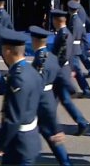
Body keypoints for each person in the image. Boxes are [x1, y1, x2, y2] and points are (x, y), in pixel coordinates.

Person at [0, 28, 41, 165]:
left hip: (19, 144)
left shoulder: (18, 78)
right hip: (30, 138)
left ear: (6, 51)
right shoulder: (31, 71)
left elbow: (14, 118)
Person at [29, 26, 71, 165]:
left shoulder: (39, 60)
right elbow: (61, 79)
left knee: (51, 134)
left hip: (41, 103)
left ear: (34, 41)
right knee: (47, 133)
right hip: (48, 100)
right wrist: (71, 89)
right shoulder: (51, 57)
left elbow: (37, 86)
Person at [51, 9, 90, 136]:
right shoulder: (65, 33)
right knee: (59, 99)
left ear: (56, 20)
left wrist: (52, 66)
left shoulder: (63, 35)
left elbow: (63, 56)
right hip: (63, 71)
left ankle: (81, 122)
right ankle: (81, 122)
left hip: (60, 72)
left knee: (57, 100)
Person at [67, 0, 90, 97]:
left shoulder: (74, 21)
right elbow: (84, 34)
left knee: (76, 71)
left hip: (73, 48)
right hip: (77, 47)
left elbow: (72, 36)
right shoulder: (78, 20)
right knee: (73, 70)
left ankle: (86, 90)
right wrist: (88, 45)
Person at [71, 0, 90, 77]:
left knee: (81, 55)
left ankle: (88, 71)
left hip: (79, 37)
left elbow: (81, 26)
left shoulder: (79, 9)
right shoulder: (80, 8)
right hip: (80, 36)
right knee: (82, 55)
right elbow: (87, 18)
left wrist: (87, 44)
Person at [0, 0, 14, 66]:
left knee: (4, 55)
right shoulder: (2, 12)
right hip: (5, 37)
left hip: (3, 38)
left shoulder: (1, 14)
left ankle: (12, 69)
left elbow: (0, 27)